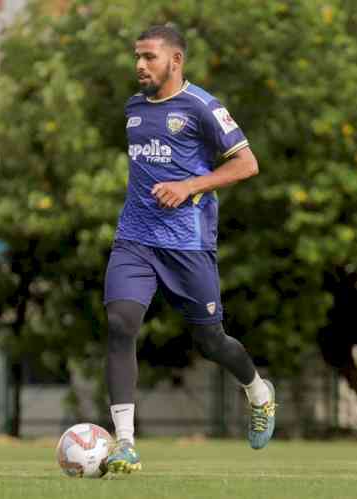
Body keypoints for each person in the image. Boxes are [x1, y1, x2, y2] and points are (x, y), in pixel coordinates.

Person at [103, 25, 275, 475]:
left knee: (210, 341)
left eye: (150, 57)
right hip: (135, 238)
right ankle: (125, 443)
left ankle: (257, 390)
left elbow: (247, 163)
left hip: (187, 244)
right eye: (137, 57)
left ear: (175, 61)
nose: (140, 65)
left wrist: (188, 187)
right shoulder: (134, 109)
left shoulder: (203, 107)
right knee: (120, 323)